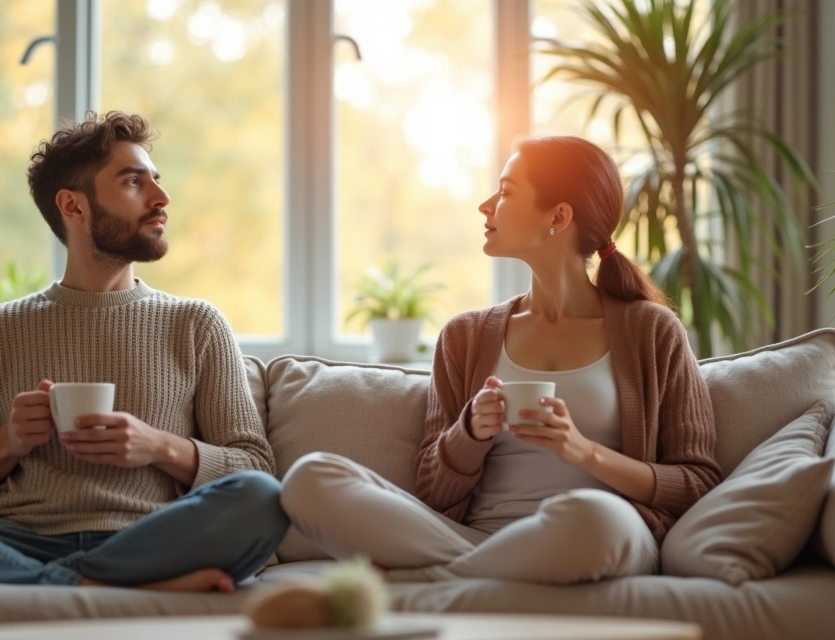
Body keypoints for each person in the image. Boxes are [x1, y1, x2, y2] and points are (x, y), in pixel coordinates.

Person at [0, 111, 288, 593]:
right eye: (133, 181)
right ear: (73, 206)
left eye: (156, 180)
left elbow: (255, 465)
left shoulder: (197, 324)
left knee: (261, 499)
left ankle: (51, 586)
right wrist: (7, 442)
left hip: (144, 539)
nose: (161, 197)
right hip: (12, 539)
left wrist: (159, 446)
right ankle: (94, 585)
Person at [280, 135, 720, 584]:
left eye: (506, 191)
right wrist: (470, 432)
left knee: (595, 517)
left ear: (558, 216)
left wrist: (584, 451)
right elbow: (433, 491)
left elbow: (697, 482)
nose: (486, 205)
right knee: (310, 479)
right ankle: (474, 576)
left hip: (594, 532)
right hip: (474, 537)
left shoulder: (651, 330)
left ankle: (427, 582)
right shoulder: (466, 336)